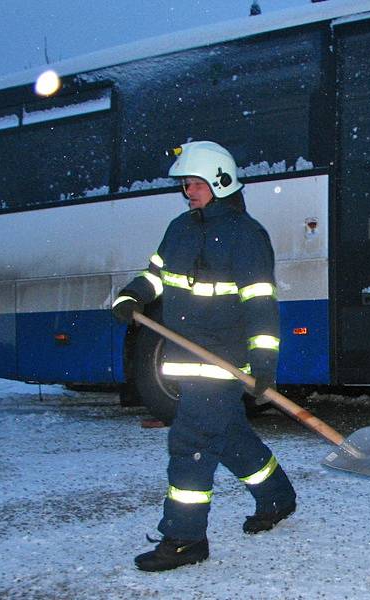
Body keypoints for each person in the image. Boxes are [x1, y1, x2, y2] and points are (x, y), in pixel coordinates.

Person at [112, 141, 297, 572]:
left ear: (221, 182)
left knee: (191, 444)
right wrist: (134, 294)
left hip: (223, 362)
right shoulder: (179, 228)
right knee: (229, 437)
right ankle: (277, 497)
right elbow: (156, 273)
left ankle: (184, 538)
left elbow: (260, 303)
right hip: (183, 358)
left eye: (196, 184)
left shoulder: (245, 236)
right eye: (185, 184)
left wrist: (264, 360)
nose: (188, 191)